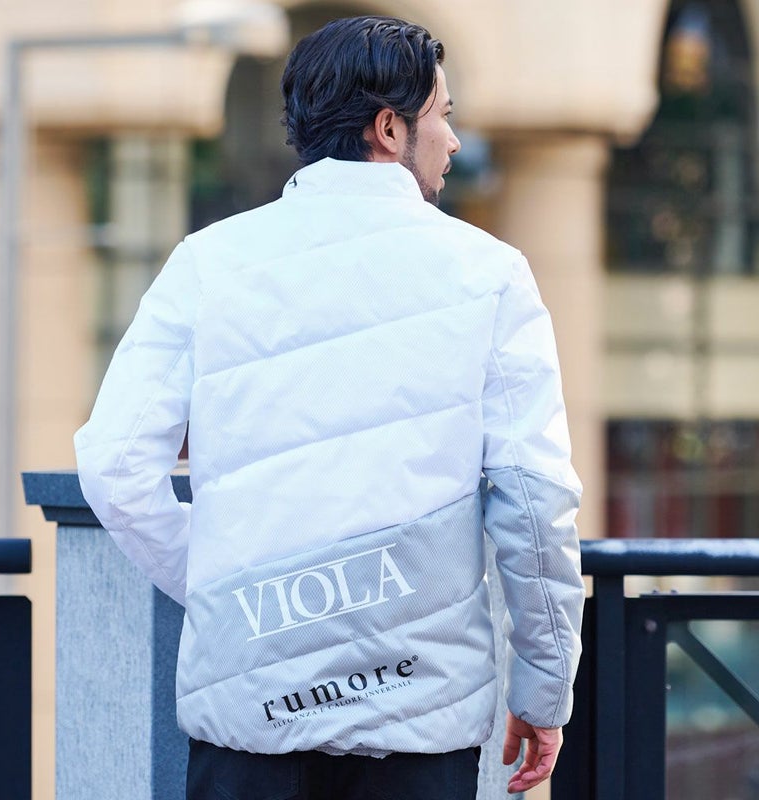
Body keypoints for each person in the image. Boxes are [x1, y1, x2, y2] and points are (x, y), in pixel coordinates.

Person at [74, 15, 585, 800]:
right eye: (443, 116)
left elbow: (114, 468)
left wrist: (229, 592)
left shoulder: (207, 263)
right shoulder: (490, 274)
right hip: (416, 725)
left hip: (249, 722)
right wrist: (544, 692)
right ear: (390, 129)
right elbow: (534, 498)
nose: (453, 141)